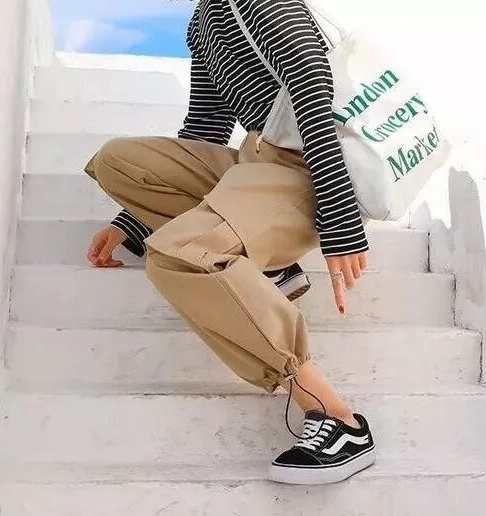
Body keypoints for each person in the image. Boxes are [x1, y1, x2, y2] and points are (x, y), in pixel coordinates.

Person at [83, 0, 376, 485]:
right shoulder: (203, 20)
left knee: (178, 256)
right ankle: (264, 269)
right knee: (118, 160)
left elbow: (313, 90)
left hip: (306, 171)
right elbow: (205, 126)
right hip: (252, 164)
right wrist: (132, 221)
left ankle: (338, 419)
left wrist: (341, 222)